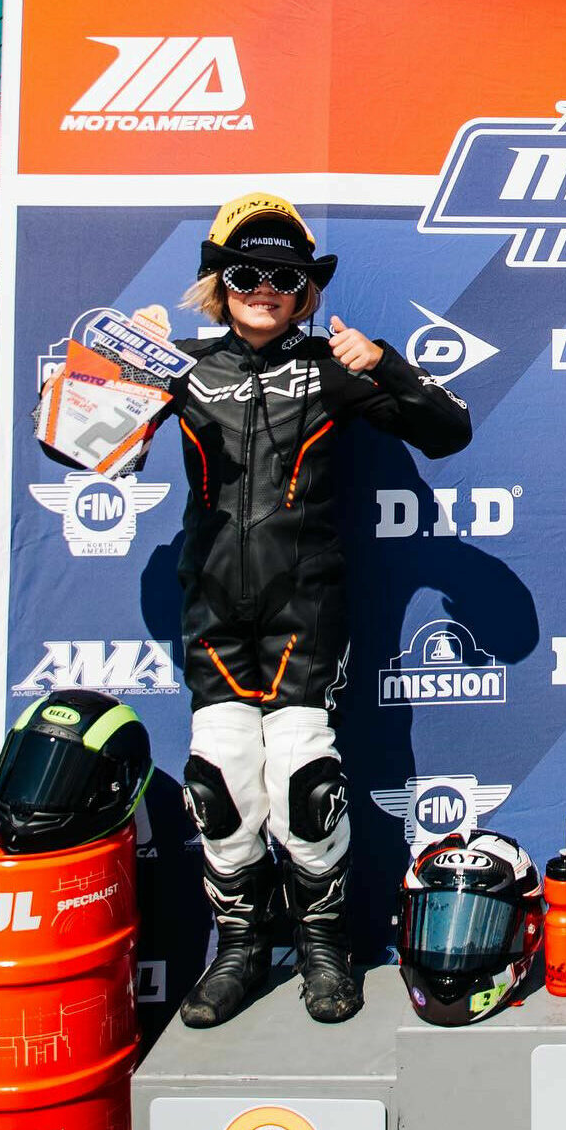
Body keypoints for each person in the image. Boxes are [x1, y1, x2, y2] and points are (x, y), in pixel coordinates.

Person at [132, 193, 471, 1025]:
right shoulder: (181, 367)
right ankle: (240, 949)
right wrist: (120, 364)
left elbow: (449, 430)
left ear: (304, 291)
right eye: (244, 273)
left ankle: (327, 950)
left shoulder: (328, 369)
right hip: (211, 609)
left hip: (305, 614)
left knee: (303, 779)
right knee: (217, 784)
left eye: (282, 277)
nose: (263, 289)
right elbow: (66, 443)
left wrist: (381, 362)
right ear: (218, 280)